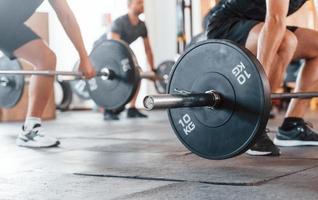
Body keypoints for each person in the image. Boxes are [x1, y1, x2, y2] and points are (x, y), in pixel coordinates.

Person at [206, 0, 318, 156]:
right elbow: (275, 20)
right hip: (226, 23)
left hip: (257, 24)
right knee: (285, 41)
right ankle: (253, 126)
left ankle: (292, 126)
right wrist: (259, 82)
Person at [0, 0, 96, 148]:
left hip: (8, 24)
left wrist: (84, 58)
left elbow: (66, 16)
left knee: (46, 59)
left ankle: (30, 131)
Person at [104, 0, 155, 120]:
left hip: (120, 51)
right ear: (129, 5)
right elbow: (114, 45)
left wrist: (153, 69)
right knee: (113, 76)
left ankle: (131, 108)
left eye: (143, 3)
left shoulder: (142, 26)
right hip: (106, 51)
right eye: (138, 2)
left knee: (138, 72)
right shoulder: (119, 22)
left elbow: (148, 50)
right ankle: (108, 109)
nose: (142, 5)